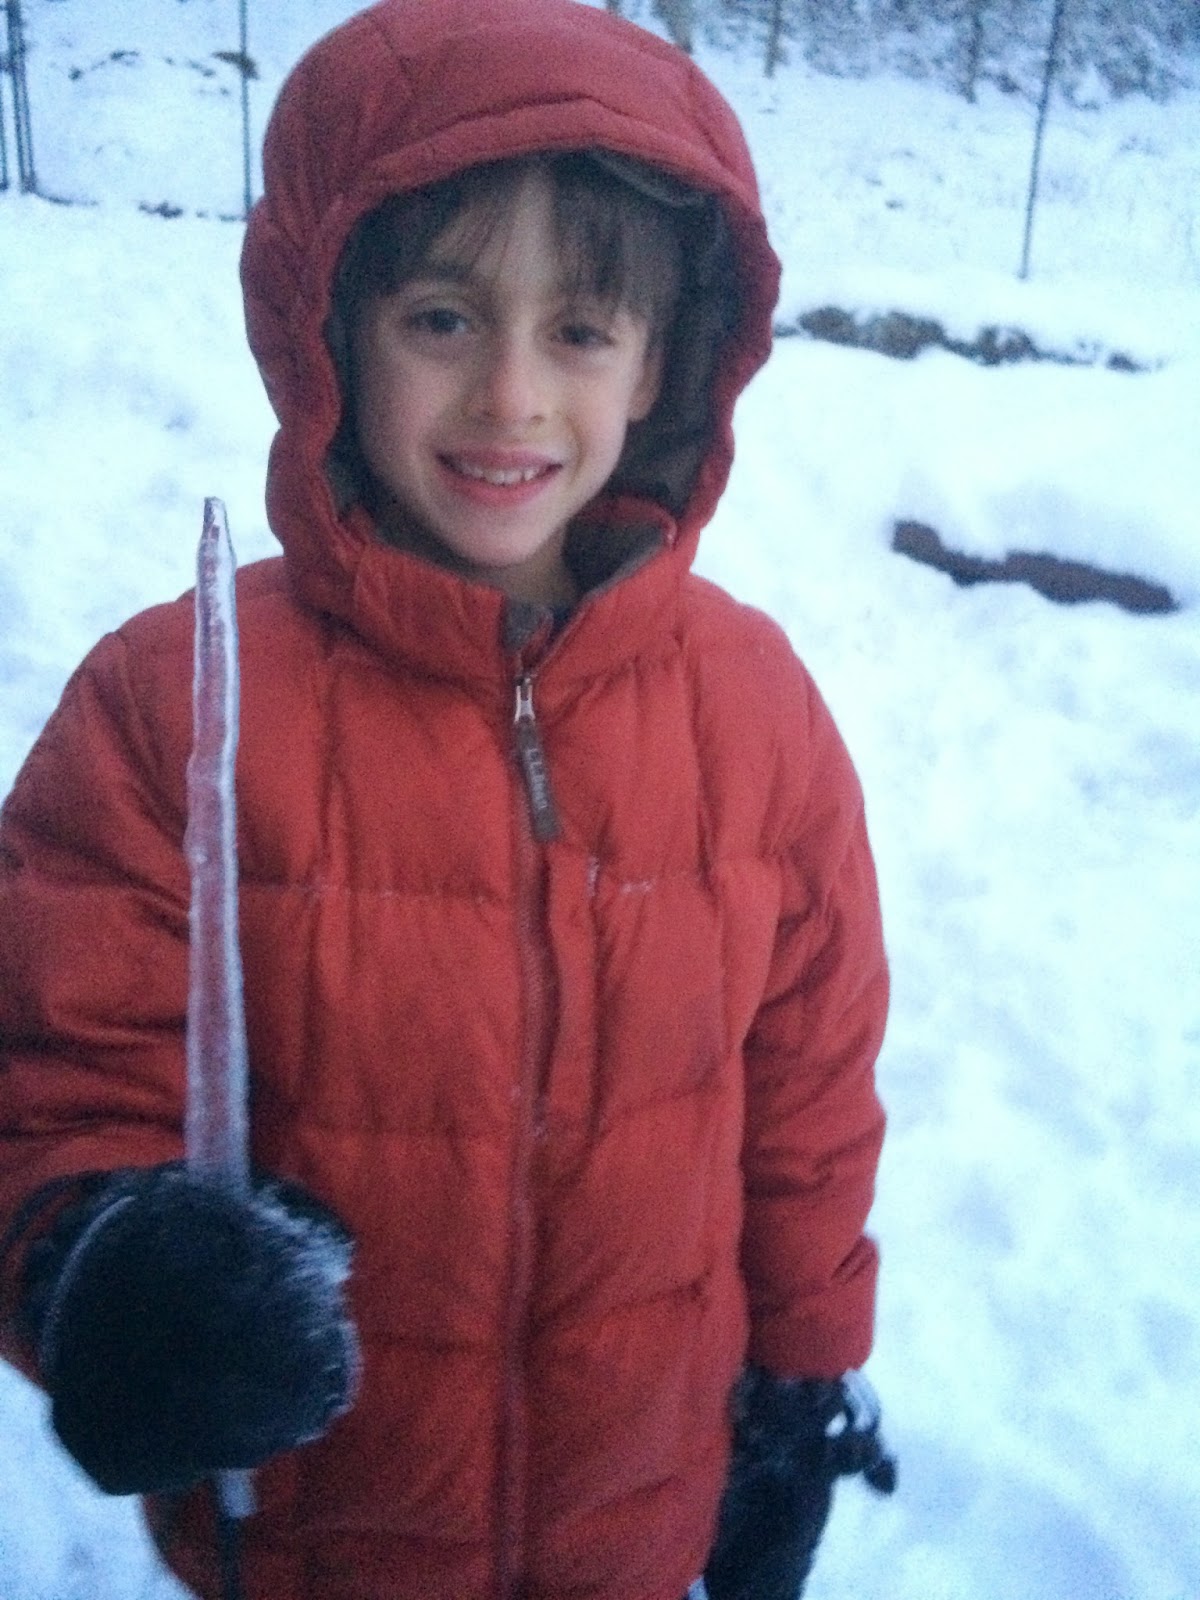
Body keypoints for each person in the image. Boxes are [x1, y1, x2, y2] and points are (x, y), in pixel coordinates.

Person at [0, 1, 895, 1597]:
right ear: (329, 330)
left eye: (581, 330)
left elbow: (809, 1090)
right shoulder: (174, 710)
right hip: (320, 1537)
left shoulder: (752, 711)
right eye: (441, 317)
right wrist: (95, 1262)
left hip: (637, 1509)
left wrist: (803, 1378)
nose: (509, 398)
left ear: (663, 364)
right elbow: (51, 1073)